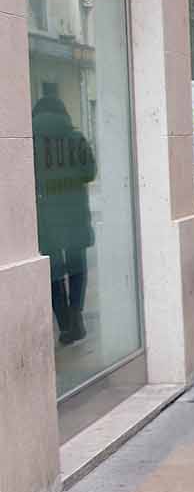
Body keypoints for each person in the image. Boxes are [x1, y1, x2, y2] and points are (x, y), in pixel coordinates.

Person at [32, 88, 96, 346]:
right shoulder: (76, 139)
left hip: (46, 215)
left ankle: (65, 324)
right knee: (77, 265)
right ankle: (76, 314)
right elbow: (90, 172)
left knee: (54, 271)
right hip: (74, 214)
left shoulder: (31, 142)